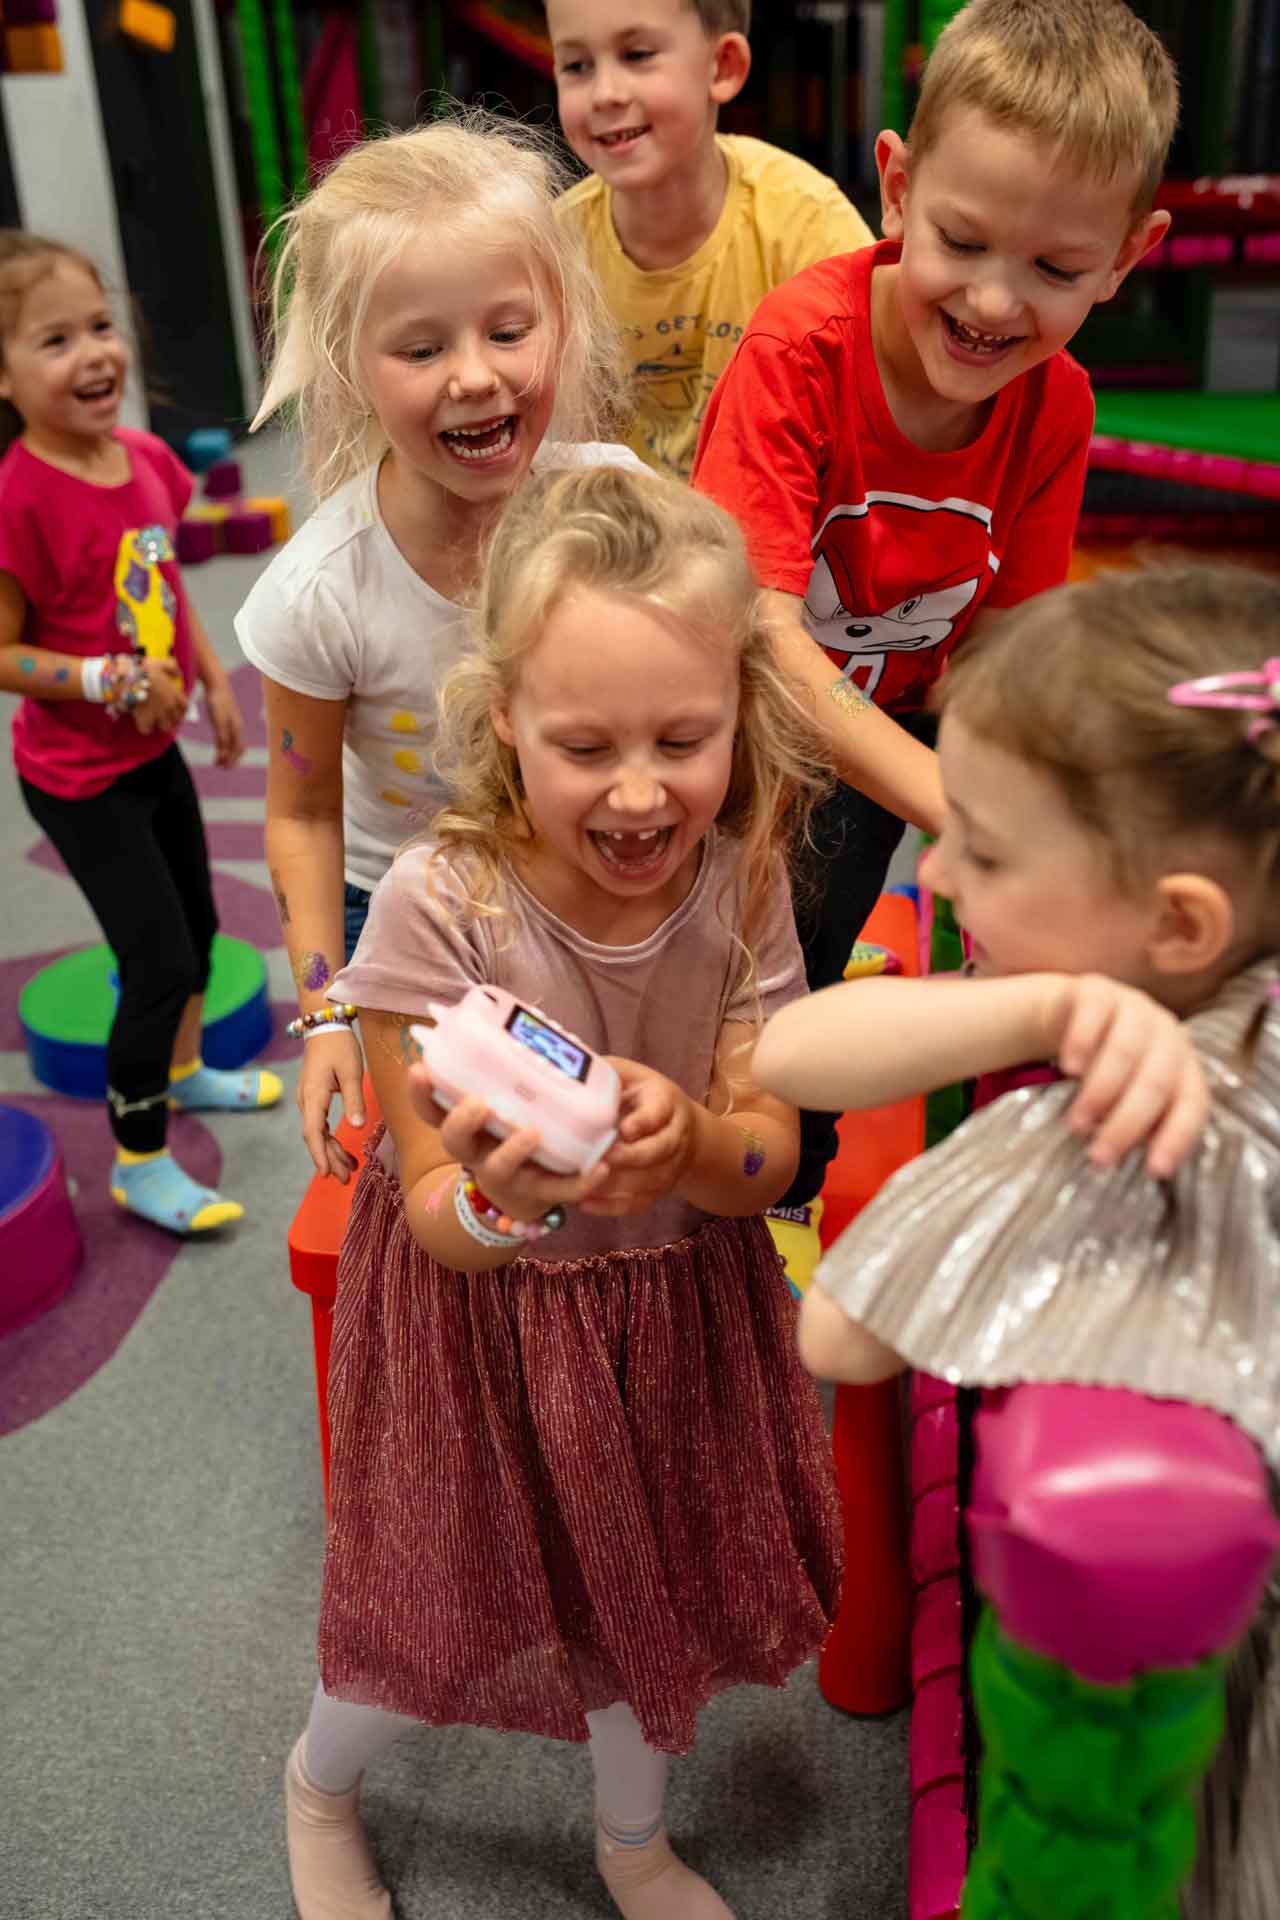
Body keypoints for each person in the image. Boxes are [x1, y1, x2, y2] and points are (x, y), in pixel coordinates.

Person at [282, 464, 843, 1920]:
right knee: (438, 1612)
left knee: (634, 1607)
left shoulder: (743, 882)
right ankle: (319, 1780)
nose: (643, 789)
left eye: (686, 736)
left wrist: (701, 1151)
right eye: (585, 744)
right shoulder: (437, 900)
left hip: (674, 1314)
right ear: (504, 724)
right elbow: (419, 1208)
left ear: (741, 714)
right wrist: (502, 1200)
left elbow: (773, 1146)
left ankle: (632, 1843)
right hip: (490, 1332)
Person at [754, 561, 1280, 1920]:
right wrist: (1039, 1001)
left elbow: (835, 1329)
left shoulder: (1144, 1116)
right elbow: (796, 1048)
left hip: (1193, 1731)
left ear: (1177, 926)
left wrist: (1049, 1027)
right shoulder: (1180, 963)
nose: (936, 867)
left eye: (984, 851)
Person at [692, 0, 1178, 1285]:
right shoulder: (802, 344)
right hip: (747, 706)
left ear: (1128, 258)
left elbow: (1006, 646)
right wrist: (950, 809)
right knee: (740, 940)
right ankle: (733, 1168)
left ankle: (791, 1187)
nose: (990, 299)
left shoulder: (1055, 404)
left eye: (1055, 272)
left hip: (903, 711)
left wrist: (1020, 825)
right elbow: (755, 637)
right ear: (897, 187)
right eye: (960, 239)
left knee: (845, 927)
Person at [237, 110, 642, 1185]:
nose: (474, 376)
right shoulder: (320, 593)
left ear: (561, 321)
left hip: (600, 875)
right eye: (421, 349)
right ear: (348, 366)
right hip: (407, 918)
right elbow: (301, 811)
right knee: (461, 1184)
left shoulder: (616, 506)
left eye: (509, 332)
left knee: (611, 1158)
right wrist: (326, 1011)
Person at [0, 230, 280, 1235]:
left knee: (202, 931)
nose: (93, 355)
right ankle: (141, 1158)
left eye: (101, 327)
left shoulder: (150, 461)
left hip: (150, 750)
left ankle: (190, 1067)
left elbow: (160, 585)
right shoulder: (18, 497)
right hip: (76, 778)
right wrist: (99, 677)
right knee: (156, 958)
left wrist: (208, 677)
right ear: (5, 373)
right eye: (54, 340)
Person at [547, 0, 875, 481]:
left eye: (637, 55)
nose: (605, 93)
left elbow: (870, 419)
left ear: (722, 67)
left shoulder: (808, 223)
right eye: (577, 66)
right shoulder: (552, 247)